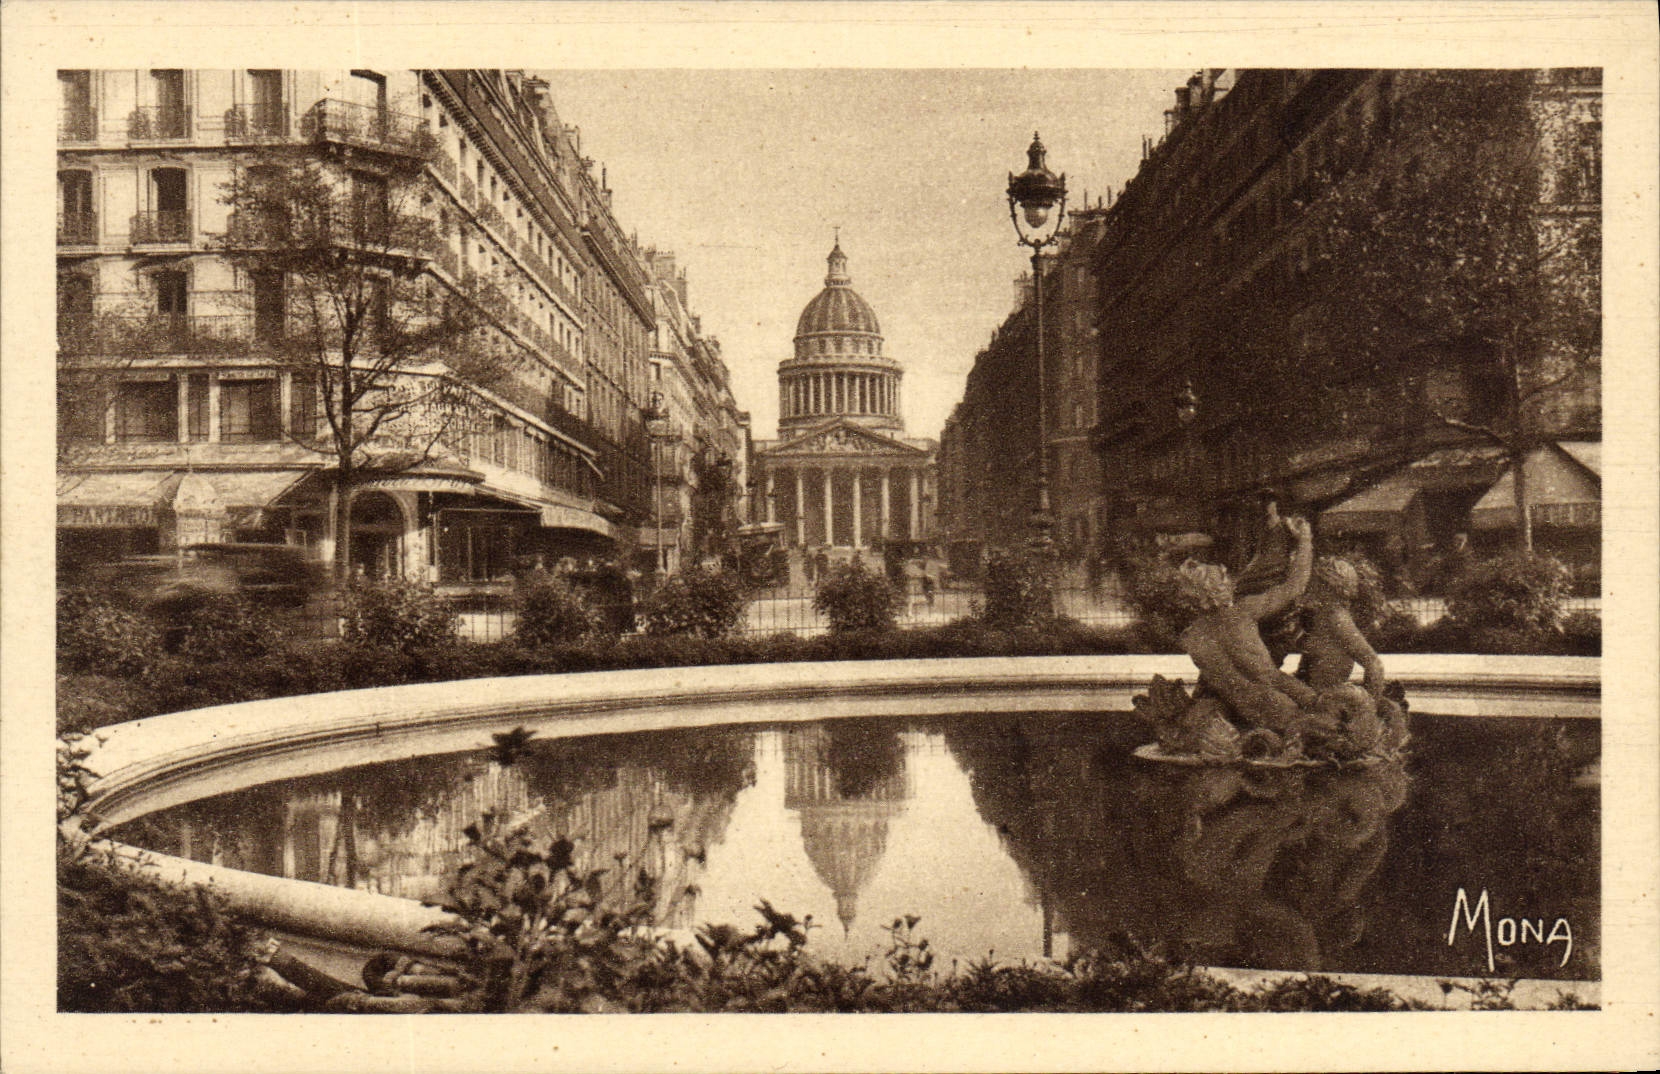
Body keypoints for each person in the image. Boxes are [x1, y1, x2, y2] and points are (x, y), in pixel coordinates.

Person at [1177, 515, 1321, 732]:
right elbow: (1295, 585)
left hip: (1255, 700)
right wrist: (1305, 540)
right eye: (1222, 583)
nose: (1228, 585)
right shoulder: (1242, 612)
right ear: (1208, 593)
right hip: (1265, 703)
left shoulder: (1193, 635)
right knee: (1320, 718)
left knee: (1322, 710)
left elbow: (1294, 587)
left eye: (1224, 581)